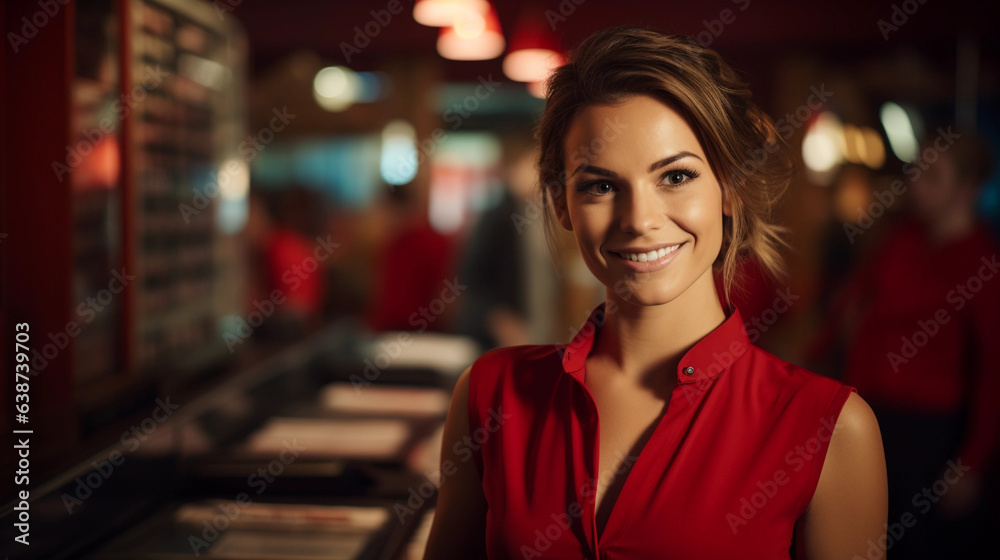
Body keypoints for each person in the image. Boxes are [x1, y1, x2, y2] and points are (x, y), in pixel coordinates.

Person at [423, 26, 887, 559]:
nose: (640, 220)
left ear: (730, 188)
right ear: (560, 205)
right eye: (599, 185)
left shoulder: (829, 428)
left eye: (676, 177)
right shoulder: (489, 394)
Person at [812, 131, 998, 558]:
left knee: (913, 543)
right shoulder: (900, 239)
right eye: (916, 171)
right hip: (865, 409)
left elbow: (993, 371)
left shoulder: (982, 262)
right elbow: (847, 308)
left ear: (967, 189)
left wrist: (971, 462)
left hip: (928, 431)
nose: (916, 184)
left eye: (932, 176)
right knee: (854, 534)